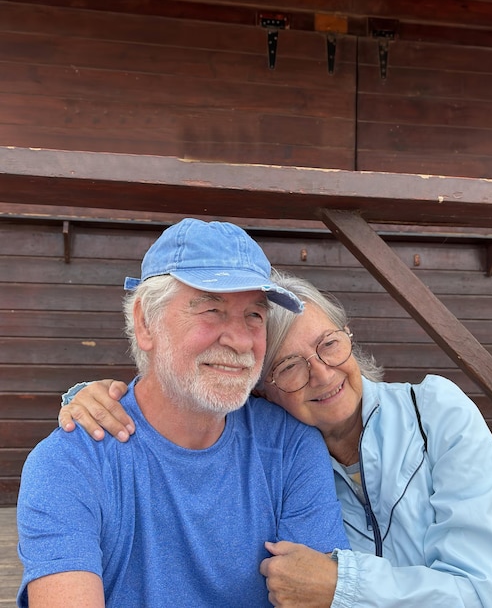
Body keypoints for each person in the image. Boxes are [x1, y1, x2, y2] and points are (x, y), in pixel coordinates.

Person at [59, 271, 492, 607]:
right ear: (259, 392)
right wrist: (94, 397)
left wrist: (343, 585)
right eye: (289, 366)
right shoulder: (285, 457)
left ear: (349, 339)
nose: (322, 374)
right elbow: (186, 396)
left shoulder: (436, 413)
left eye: (328, 344)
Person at [16, 219, 349, 608]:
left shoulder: (290, 446)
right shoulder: (70, 463)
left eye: (255, 316)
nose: (241, 340)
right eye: (211, 309)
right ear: (145, 323)